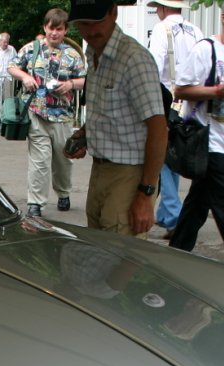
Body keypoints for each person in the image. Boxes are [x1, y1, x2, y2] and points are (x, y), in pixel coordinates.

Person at [169, 0, 224, 269]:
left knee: (198, 204)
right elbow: (181, 90)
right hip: (207, 139)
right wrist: (218, 91)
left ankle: (175, 254)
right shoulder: (206, 49)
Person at [65, 0, 166, 237]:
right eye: (83, 23)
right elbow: (108, 113)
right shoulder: (93, 54)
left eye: (96, 21)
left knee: (121, 263)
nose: (90, 30)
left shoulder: (134, 59)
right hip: (100, 170)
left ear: (114, 12)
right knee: (99, 256)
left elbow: (159, 130)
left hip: (130, 175)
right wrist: (84, 135)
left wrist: (146, 193)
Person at [8, 8, 86, 217]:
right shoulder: (30, 49)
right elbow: (12, 67)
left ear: (65, 30)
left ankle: (63, 192)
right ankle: (36, 203)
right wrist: (24, 76)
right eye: (51, 28)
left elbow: (84, 79)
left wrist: (70, 84)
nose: (54, 33)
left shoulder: (72, 55)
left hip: (63, 116)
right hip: (36, 113)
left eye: (59, 29)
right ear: (45, 27)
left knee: (63, 159)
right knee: (39, 161)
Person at [146, 0, 202, 238]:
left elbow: (155, 66)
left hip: (168, 98)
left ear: (162, 8)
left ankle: (172, 214)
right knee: (176, 154)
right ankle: (166, 211)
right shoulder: (196, 31)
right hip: (190, 100)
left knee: (165, 157)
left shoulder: (161, 29)